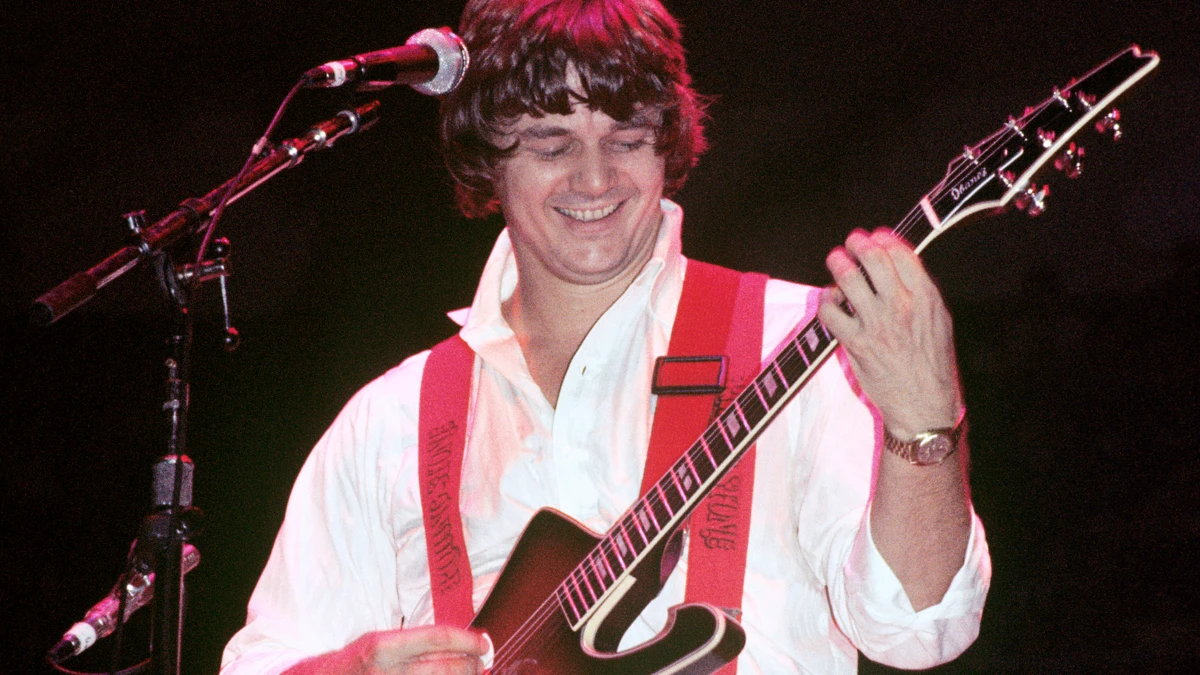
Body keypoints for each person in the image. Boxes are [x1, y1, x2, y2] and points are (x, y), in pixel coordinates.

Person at [220, 0, 990, 673]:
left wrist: (926, 427)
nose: (594, 180)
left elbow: (919, 628)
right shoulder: (389, 420)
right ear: (490, 157)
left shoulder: (797, 337)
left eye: (625, 139)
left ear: (669, 145)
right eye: (552, 145)